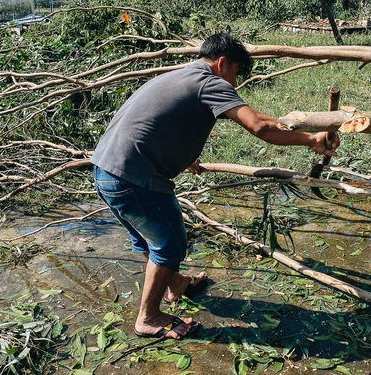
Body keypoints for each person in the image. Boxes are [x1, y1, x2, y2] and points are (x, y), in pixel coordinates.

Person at [91, 33, 337, 340]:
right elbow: (259, 126)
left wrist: (185, 155)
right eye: (235, 74)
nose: (234, 84)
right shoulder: (210, 83)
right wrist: (311, 140)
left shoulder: (180, 76)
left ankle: (176, 285)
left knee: (148, 238)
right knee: (169, 244)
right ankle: (148, 317)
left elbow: (158, 121)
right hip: (133, 178)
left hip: (105, 170)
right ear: (222, 63)